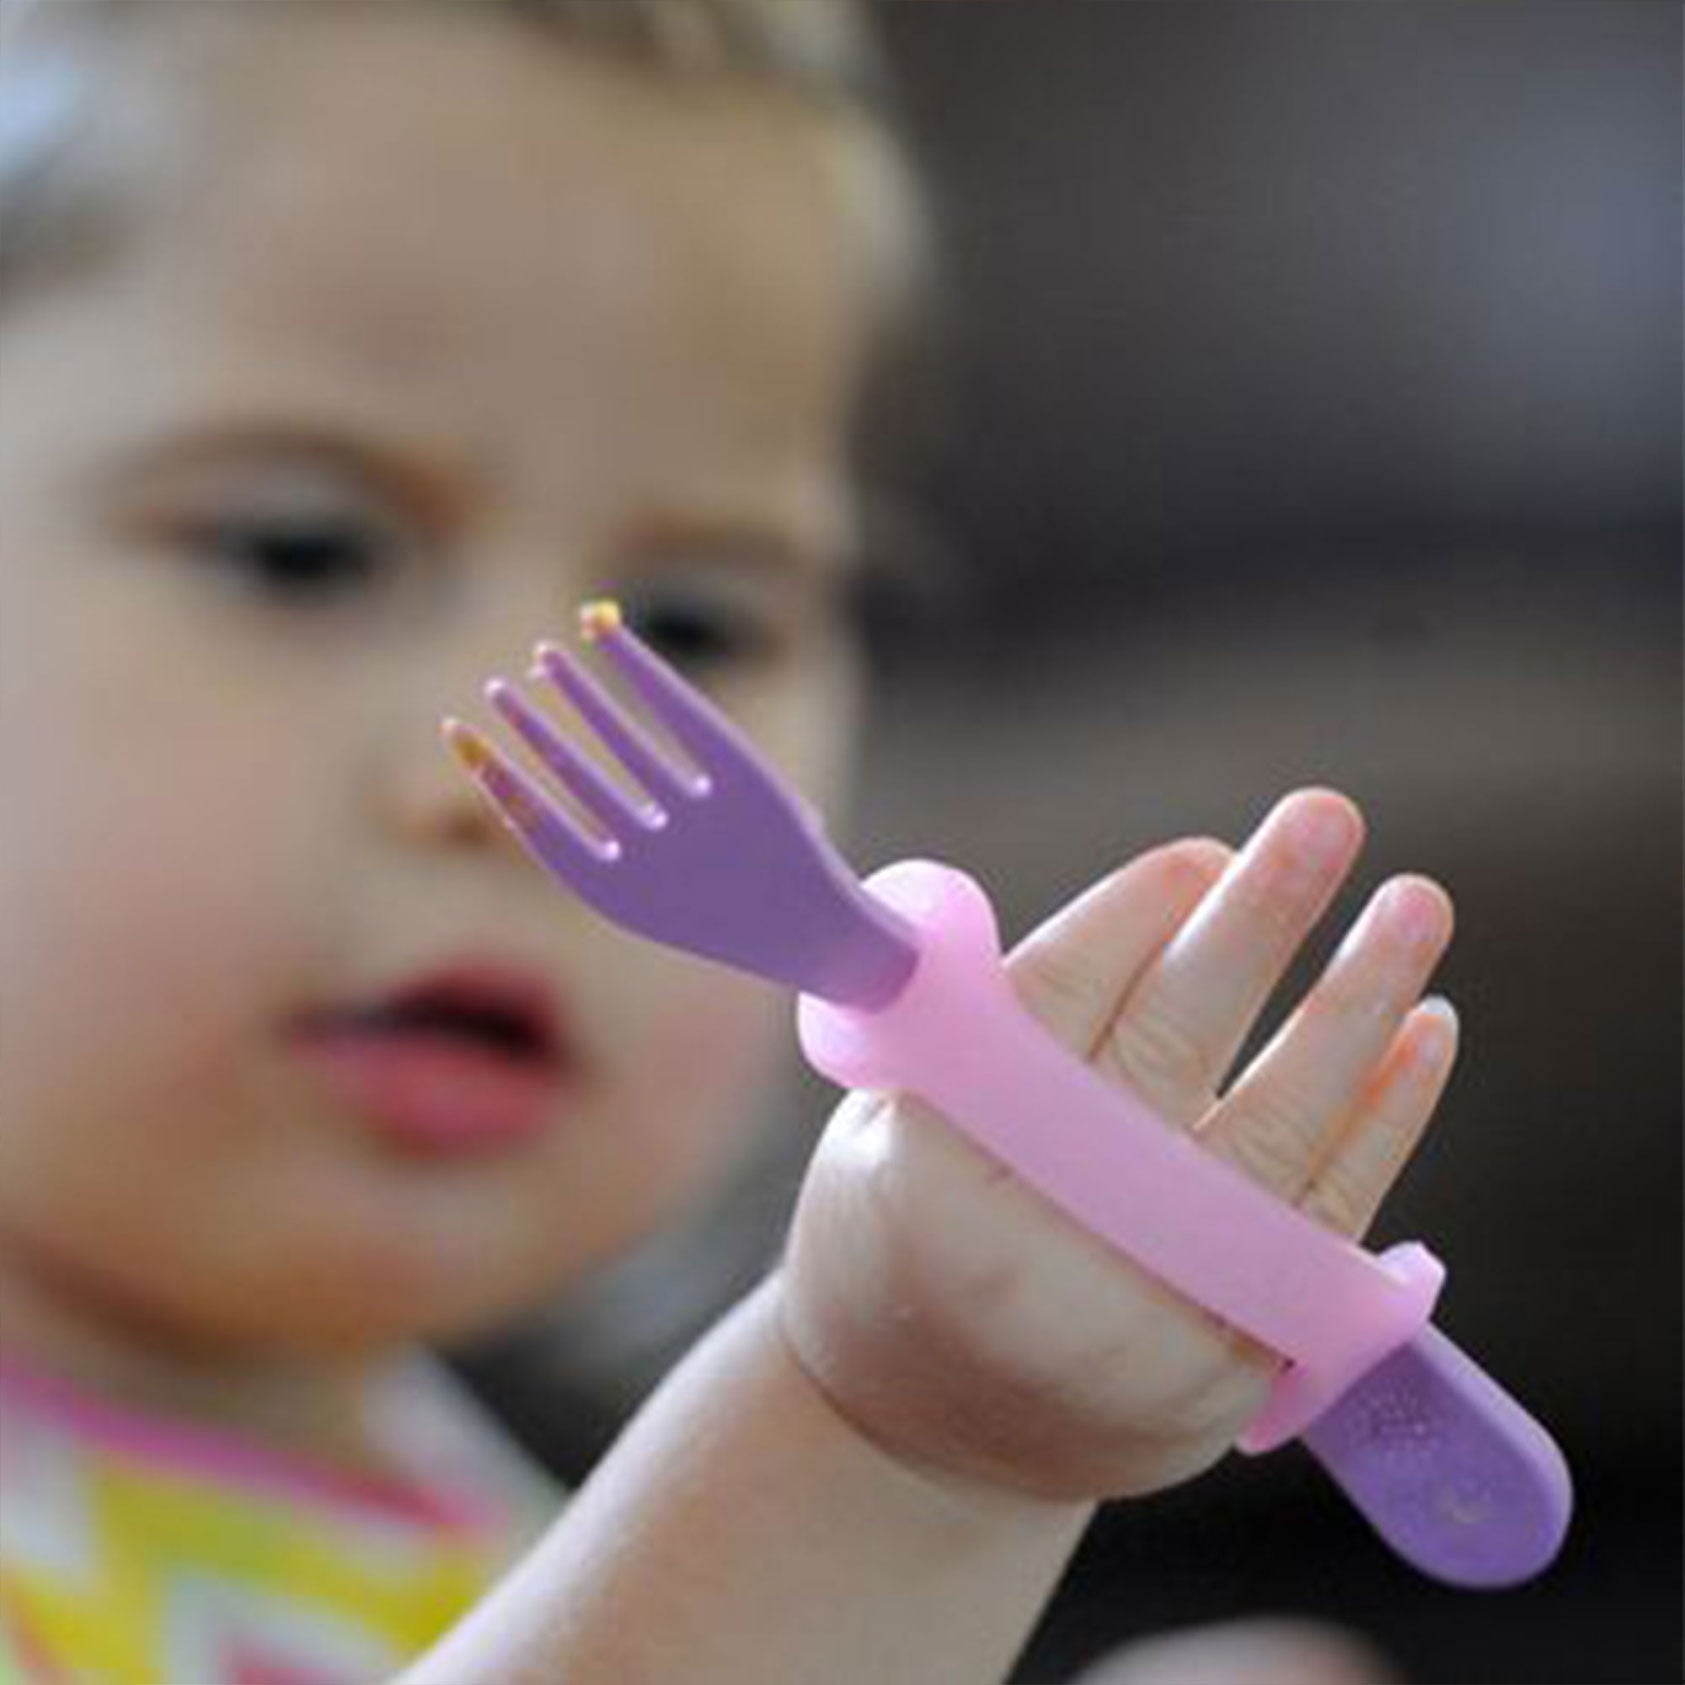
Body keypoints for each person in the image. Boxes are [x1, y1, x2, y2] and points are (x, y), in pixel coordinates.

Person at [0, 1, 1456, 1679]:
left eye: (691, 628)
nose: (504, 789)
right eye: (301, 551)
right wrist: (894, 1451)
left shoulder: (472, 1524)